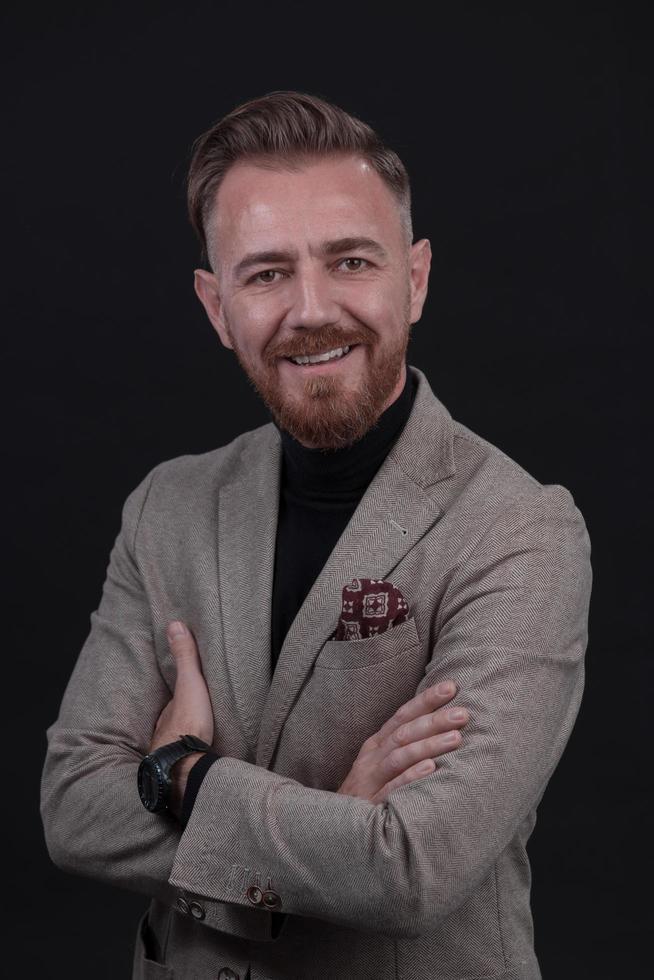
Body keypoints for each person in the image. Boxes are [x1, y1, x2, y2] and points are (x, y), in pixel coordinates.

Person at [41, 91, 592, 980]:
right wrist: (333, 827)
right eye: (265, 274)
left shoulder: (522, 529)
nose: (311, 309)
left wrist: (179, 774)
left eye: (349, 261)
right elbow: (72, 806)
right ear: (216, 307)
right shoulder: (165, 506)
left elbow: (414, 867)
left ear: (413, 280)